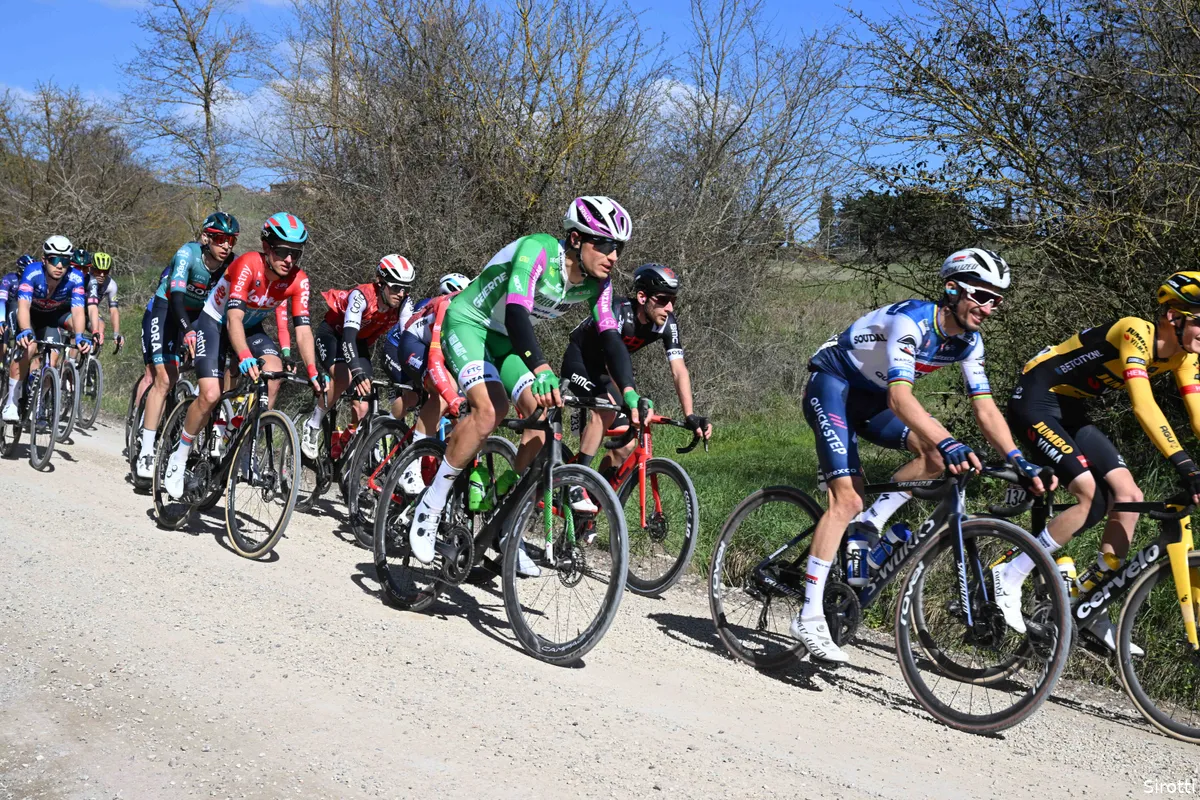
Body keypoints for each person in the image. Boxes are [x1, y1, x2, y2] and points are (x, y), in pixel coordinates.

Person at [793, 248, 1049, 664]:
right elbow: (900, 398)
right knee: (847, 497)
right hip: (833, 386)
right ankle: (808, 616)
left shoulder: (969, 342)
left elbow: (985, 409)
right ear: (953, 289)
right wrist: (949, 439)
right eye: (982, 296)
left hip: (871, 400)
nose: (989, 308)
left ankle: (870, 524)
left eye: (997, 300)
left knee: (935, 458)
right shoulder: (912, 323)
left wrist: (1019, 459)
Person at [406, 196, 639, 575]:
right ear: (577, 239)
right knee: (489, 410)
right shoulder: (538, 251)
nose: (614, 256)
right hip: (469, 322)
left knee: (542, 418)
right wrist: (543, 367)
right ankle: (430, 505)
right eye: (606, 244)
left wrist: (628, 392)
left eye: (619, 248)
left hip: (506, 340)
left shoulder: (600, 284)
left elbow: (611, 337)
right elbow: (516, 313)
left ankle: (504, 522)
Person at [995, 271, 1200, 651]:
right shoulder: (1134, 331)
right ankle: (1011, 569)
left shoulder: (1185, 358)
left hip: (1070, 409)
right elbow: (1143, 405)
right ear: (1173, 317)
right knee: (1090, 494)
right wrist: (1186, 466)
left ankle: (1090, 601)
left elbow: (1198, 415)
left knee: (1128, 495)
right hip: (1036, 399)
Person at [162, 212, 322, 499]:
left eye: (296, 254)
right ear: (267, 247)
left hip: (251, 327)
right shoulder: (247, 264)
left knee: (273, 375)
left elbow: (303, 331)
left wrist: (312, 370)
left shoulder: (299, 281)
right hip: (215, 323)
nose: (289, 260)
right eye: (284, 251)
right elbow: (232, 318)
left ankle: (243, 449)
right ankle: (179, 454)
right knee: (210, 394)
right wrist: (245, 355)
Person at [560, 262, 712, 511]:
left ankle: (592, 502)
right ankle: (576, 481)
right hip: (580, 362)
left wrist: (690, 414)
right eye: (663, 299)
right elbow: (612, 356)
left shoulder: (666, 323)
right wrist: (627, 398)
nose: (669, 307)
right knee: (607, 409)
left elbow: (679, 370)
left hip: (608, 373)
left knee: (627, 445)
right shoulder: (618, 311)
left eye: (673, 300)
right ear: (642, 297)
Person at [134, 213, 240, 480]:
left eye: (231, 240)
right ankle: (146, 450)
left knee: (214, 375)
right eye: (219, 238)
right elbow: (177, 298)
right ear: (206, 238)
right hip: (167, 309)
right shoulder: (187, 255)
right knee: (165, 377)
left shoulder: (233, 266)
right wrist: (187, 330)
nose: (226, 245)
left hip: (201, 315)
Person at [300, 253, 416, 459]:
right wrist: (356, 370)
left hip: (359, 343)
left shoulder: (404, 304)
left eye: (406, 288)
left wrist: (413, 373)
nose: (401, 293)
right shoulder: (361, 297)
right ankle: (313, 424)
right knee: (344, 377)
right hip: (334, 335)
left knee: (363, 407)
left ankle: (345, 445)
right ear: (381, 283)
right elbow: (347, 338)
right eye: (396, 287)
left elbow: (408, 340)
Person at [385, 273, 471, 494]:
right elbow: (434, 357)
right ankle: (407, 461)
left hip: (438, 351)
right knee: (440, 394)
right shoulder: (444, 306)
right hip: (411, 343)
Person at [3, 236, 92, 422]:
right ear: (44, 260)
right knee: (29, 348)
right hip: (27, 313)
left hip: (49, 315)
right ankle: (11, 402)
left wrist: (80, 336)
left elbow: (77, 311)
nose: (59, 265)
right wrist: (25, 330)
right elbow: (24, 305)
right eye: (54, 259)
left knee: (52, 360)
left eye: (65, 261)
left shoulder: (75, 277)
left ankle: (38, 402)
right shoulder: (32, 272)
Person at [85, 252, 124, 352]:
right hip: (75, 310)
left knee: (100, 326)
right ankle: (69, 360)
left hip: (91, 312)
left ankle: (92, 360)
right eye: (98, 271)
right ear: (91, 269)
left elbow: (114, 310)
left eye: (105, 271)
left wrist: (116, 333)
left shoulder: (111, 285)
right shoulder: (85, 278)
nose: (102, 275)